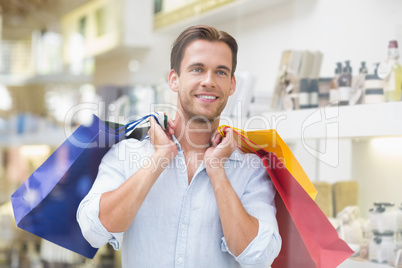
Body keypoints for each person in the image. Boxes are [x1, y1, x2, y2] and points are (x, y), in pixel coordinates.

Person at [77, 25, 281, 267]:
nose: (209, 81)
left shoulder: (250, 168)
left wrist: (217, 171)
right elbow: (94, 231)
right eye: (197, 69)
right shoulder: (127, 155)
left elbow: (260, 256)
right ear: (174, 79)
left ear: (232, 85)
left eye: (221, 72)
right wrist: (160, 158)